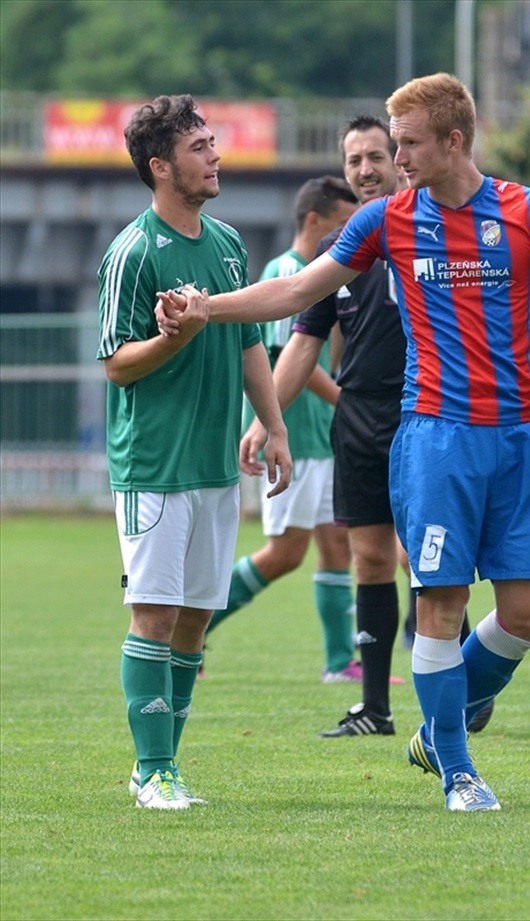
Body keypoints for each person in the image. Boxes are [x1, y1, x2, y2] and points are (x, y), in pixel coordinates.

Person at [157, 73, 530, 813]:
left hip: (516, 437)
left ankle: (438, 731)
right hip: (435, 438)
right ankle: (460, 773)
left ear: (455, 140)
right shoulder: (387, 220)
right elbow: (297, 292)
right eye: (393, 142)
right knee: (440, 603)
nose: (396, 157)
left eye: (408, 143)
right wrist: (206, 308)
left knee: (529, 611)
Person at [97, 94, 291, 810]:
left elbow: (249, 344)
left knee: (195, 620)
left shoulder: (229, 244)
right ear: (160, 166)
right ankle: (154, 771)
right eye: (199, 147)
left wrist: (274, 425)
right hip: (153, 463)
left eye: (212, 143)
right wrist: (171, 338)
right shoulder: (133, 252)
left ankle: (162, 767)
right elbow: (117, 365)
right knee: (153, 614)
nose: (215, 156)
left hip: (215, 464)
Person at [239, 115, 410, 737]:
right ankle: (375, 709)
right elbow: (303, 342)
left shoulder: (430, 231)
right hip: (357, 419)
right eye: (354, 159)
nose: (365, 169)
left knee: (429, 560)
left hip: (423, 413)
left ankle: (464, 688)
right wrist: (266, 420)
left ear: (401, 158)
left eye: (375, 156)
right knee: (369, 559)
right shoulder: (336, 251)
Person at [204, 176, 361, 683]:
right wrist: (348, 403)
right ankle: (193, 626)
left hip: (324, 438)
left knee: (337, 547)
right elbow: (293, 359)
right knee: (285, 554)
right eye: (343, 224)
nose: (350, 235)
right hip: (297, 438)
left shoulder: (326, 275)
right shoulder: (288, 272)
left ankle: (340, 663)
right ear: (315, 221)